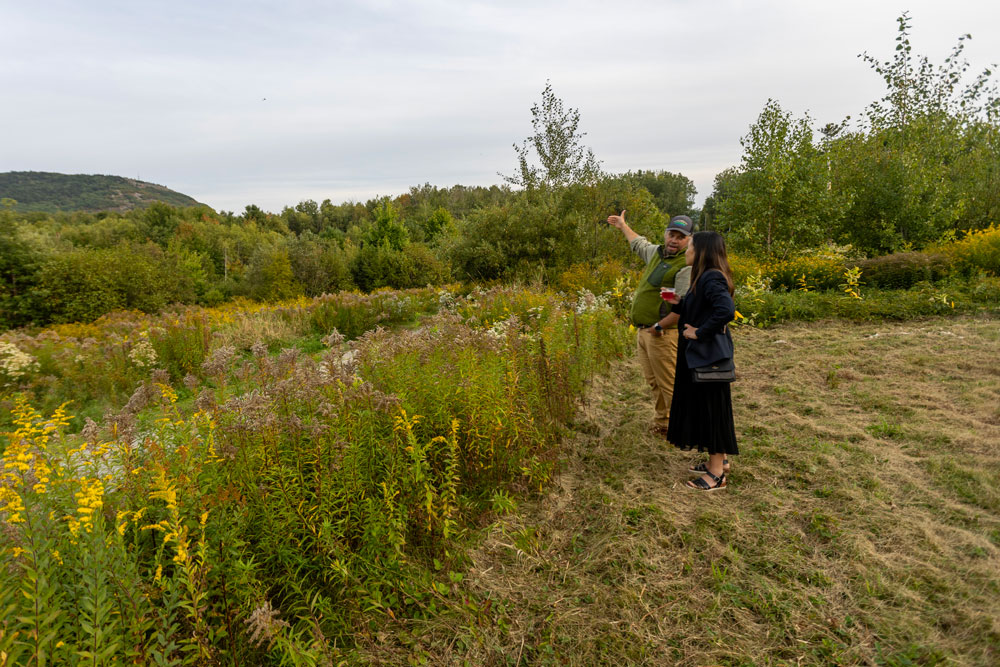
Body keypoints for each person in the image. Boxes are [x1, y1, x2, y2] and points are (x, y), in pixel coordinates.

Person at [606, 210, 693, 436]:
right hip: (645, 332)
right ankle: (664, 422)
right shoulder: (657, 253)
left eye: (680, 237)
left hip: (662, 334)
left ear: (689, 240)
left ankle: (684, 428)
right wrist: (623, 226)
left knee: (669, 384)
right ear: (665, 234)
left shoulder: (686, 264)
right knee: (654, 382)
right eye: (671, 234)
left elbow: (682, 306)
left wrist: (659, 327)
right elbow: (639, 243)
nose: (674, 240)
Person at [663, 230, 738, 491]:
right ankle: (720, 461)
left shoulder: (711, 277)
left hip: (708, 357)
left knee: (712, 411)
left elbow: (725, 310)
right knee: (709, 408)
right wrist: (679, 303)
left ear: (702, 251)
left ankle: (716, 474)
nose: (687, 250)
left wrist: (699, 332)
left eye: (691, 246)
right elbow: (704, 308)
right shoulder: (704, 278)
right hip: (701, 357)